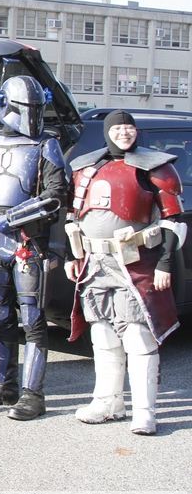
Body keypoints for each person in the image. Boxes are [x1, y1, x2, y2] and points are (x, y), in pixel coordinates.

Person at [65, 110, 184, 435]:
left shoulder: (156, 168)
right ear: (107, 132)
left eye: (128, 127)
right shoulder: (86, 168)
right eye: (117, 128)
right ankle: (108, 402)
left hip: (136, 265)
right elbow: (73, 217)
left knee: (138, 336)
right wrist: (72, 256)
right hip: (95, 265)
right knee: (102, 335)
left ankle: (145, 412)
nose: (123, 133)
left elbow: (173, 222)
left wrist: (164, 263)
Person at [0, 75, 68, 420]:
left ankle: (32, 394)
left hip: (29, 243)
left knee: (33, 319)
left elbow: (55, 198)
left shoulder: (47, 144)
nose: (33, 115)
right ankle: (3, 385)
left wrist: (13, 219)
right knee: (1, 317)